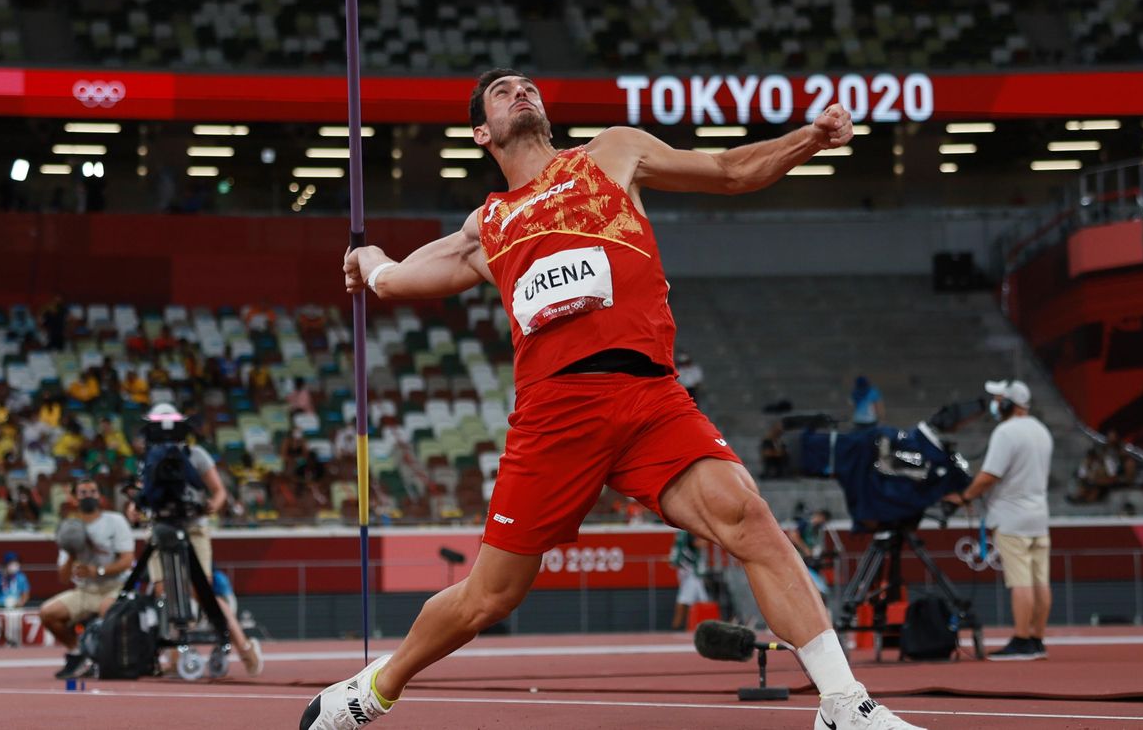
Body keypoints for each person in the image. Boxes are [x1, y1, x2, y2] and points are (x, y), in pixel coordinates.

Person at [311, 70, 918, 730]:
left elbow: (726, 170)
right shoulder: (489, 224)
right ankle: (376, 687)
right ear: (481, 132)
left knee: (748, 517)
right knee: (490, 596)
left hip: (650, 395)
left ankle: (842, 704)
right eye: (502, 91)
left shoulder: (613, 152)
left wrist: (809, 138)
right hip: (556, 411)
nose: (522, 92)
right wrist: (366, 260)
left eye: (528, 86)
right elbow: (399, 280)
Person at [128, 403, 263, 677]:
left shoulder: (197, 455)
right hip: (159, 528)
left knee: (202, 590)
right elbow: (138, 501)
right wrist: (135, 508)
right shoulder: (148, 460)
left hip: (194, 529)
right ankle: (176, 653)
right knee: (161, 590)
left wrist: (211, 504)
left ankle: (244, 647)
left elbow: (219, 491)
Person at [958, 380, 1053, 662]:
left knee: (1020, 582)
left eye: (999, 399)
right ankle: (1037, 638)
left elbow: (990, 475)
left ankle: (1022, 639)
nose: (995, 404)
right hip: (1039, 514)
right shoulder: (1041, 430)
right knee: (1040, 581)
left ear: (1009, 403)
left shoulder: (1006, 432)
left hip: (1013, 517)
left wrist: (966, 496)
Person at [39, 479, 136, 680]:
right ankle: (76, 653)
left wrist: (97, 571)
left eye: (93, 491)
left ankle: (107, 659)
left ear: (100, 495)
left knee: (106, 611)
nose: (88, 495)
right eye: (83, 492)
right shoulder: (71, 528)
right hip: (85, 590)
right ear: (74, 498)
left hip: (114, 587)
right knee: (48, 613)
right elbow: (63, 578)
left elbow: (127, 560)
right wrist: (72, 555)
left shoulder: (115, 521)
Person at [668, 529, 710, 630]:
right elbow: (699, 544)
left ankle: (688, 625)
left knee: (700, 599)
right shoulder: (689, 531)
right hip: (690, 571)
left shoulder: (682, 532)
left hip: (685, 569)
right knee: (685, 599)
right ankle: (676, 627)